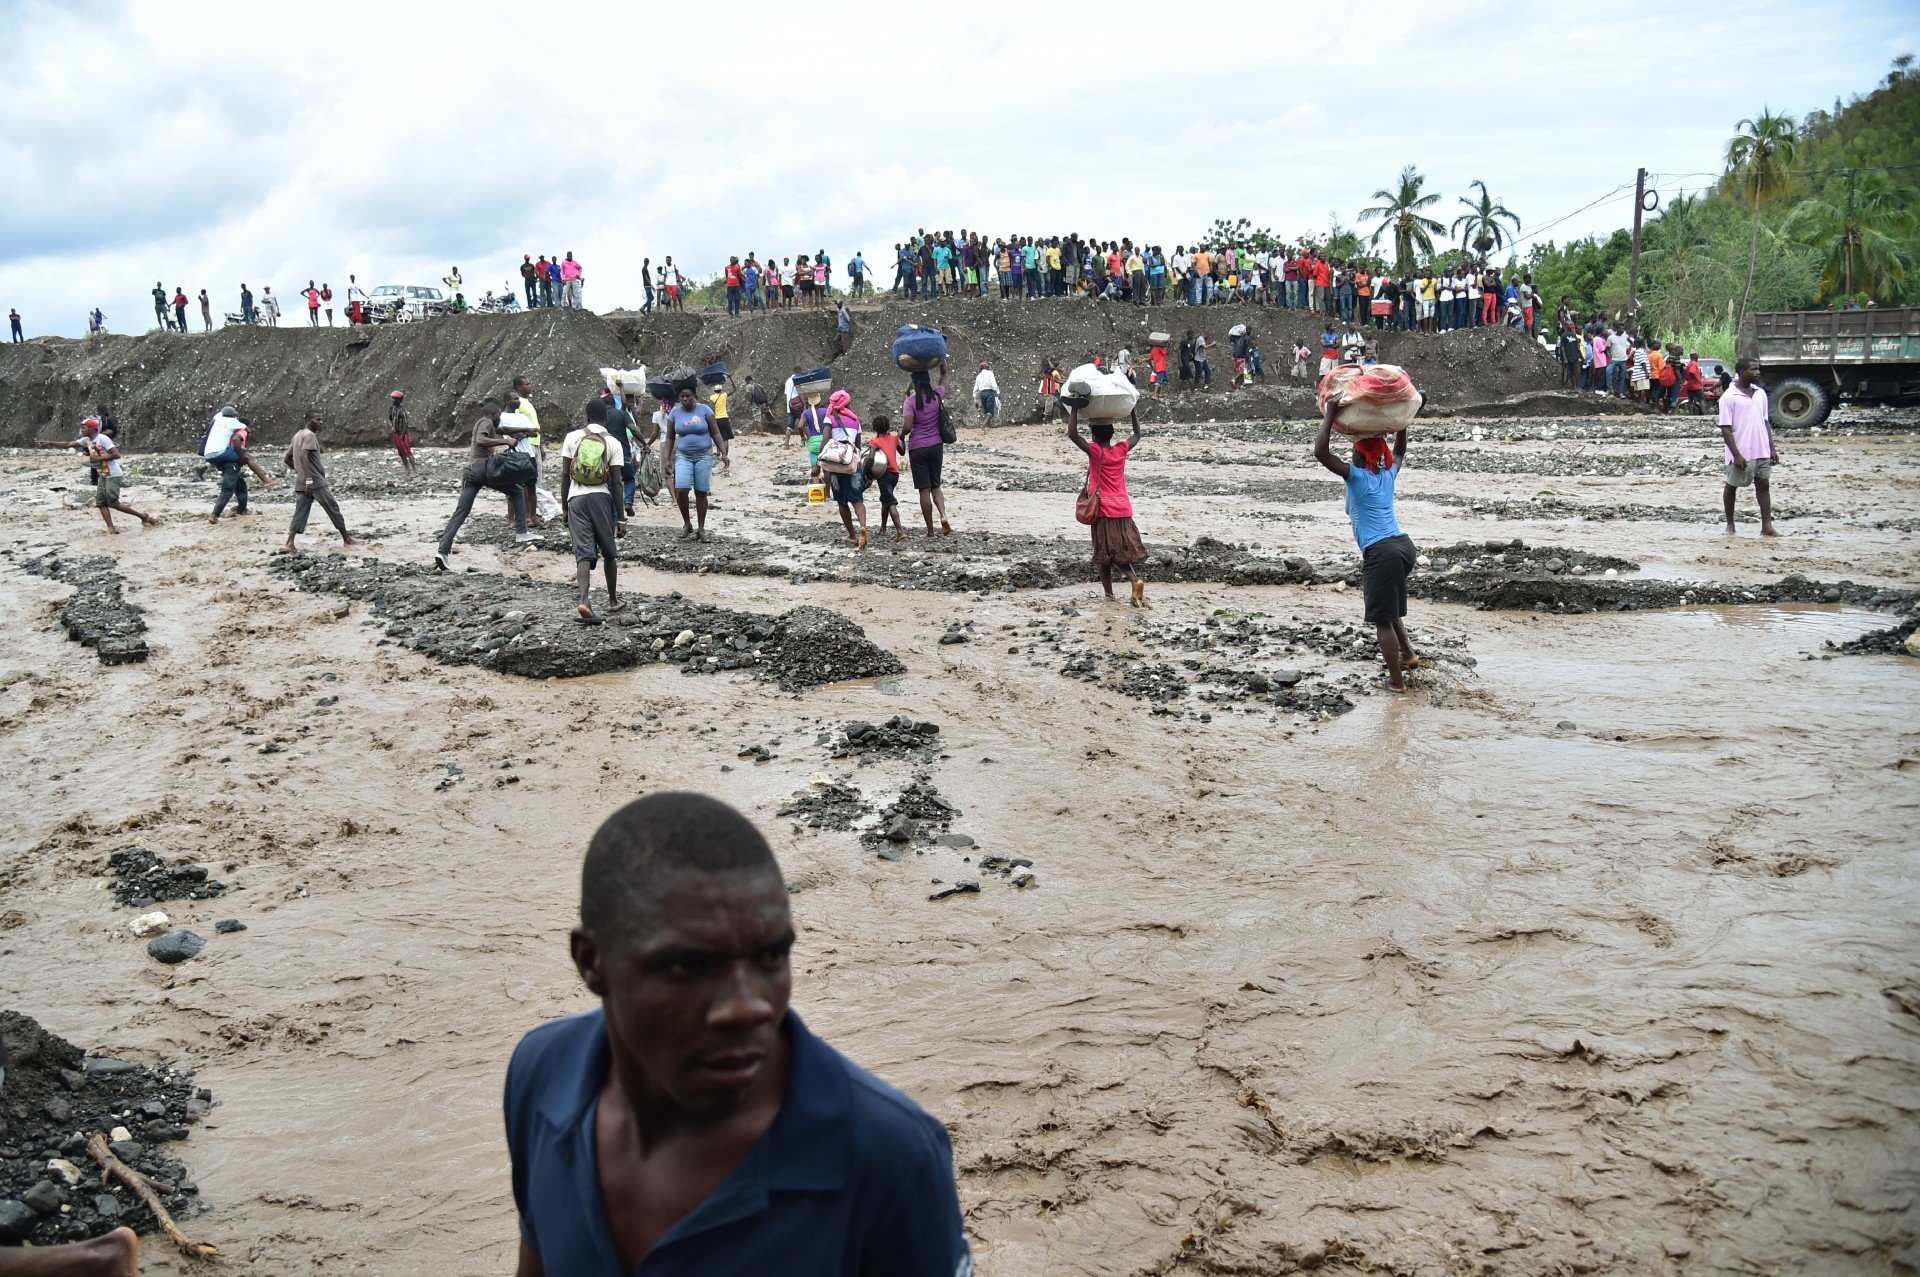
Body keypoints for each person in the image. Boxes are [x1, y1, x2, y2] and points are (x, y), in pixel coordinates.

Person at [503, 792, 971, 1277]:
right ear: (591, 962)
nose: (747, 1007)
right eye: (688, 965)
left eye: (770, 958)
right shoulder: (542, 1075)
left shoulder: (887, 1157)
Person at [1313, 408, 1418, 692]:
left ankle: (1397, 683)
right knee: (1389, 605)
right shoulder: (1387, 474)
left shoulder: (1357, 477)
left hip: (1382, 552)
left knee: (1382, 619)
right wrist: (1402, 425)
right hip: (1403, 547)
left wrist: (1331, 413)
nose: (1350, 456)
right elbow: (1399, 454)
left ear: (1359, 457)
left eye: (1354, 453)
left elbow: (1321, 453)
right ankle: (1408, 655)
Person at [434, 401, 540, 569]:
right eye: (498, 415)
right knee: (517, 491)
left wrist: (524, 432)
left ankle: (442, 551)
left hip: (470, 472)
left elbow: (503, 431)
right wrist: (505, 443)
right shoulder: (487, 422)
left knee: (461, 512)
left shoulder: (484, 423)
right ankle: (521, 533)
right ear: (492, 414)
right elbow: (481, 439)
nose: (500, 418)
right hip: (484, 469)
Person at [1067, 407, 1149, 608]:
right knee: (1111, 552)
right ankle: (1111, 596)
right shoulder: (1121, 450)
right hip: (1123, 509)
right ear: (1112, 434)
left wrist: (1075, 409)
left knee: (1106, 554)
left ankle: (1130, 582)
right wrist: (1132, 412)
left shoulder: (1095, 451)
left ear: (1094, 435)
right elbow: (1137, 434)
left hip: (1103, 510)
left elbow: (1072, 434)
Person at [559, 398, 627, 622]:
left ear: (586, 417)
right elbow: (617, 482)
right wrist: (621, 518)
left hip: (575, 500)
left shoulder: (572, 437)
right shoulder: (613, 442)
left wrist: (564, 509)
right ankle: (613, 600)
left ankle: (584, 600)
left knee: (583, 552)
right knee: (609, 551)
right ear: (606, 418)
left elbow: (564, 475)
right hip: (601, 497)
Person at [37, 417, 157, 533]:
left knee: (113, 503)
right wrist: (50, 443)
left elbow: (116, 455)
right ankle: (111, 528)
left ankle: (142, 516)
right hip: (103, 475)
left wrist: (97, 458)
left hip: (113, 475)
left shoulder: (103, 439)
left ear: (91, 429)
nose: (81, 430)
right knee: (101, 503)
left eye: (83, 428)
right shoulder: (87, 440)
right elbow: (68, 444)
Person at [1718, 357, 1779, 537]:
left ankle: (1766, 526)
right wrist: (1736, 455)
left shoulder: (1760, 394)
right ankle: (1730, 524)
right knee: (1732, 485)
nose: (1757, 372)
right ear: (1742, 372)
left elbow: (1765, 422)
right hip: (1741, 451)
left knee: (1763, 485)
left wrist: (1772, 448)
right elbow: (1725, 429)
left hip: (1761, 449)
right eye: (1754, 369)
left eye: (1758, 369)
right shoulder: (1728, 397)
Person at [280, 409, 354, 553]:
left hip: (302, 481)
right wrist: (309, 480)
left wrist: (300, 473)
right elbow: (303, 456)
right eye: (317, 420)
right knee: (332, 507)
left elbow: (287, 458)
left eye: (322, 420)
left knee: (300, 512)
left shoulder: (298, 435)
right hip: (315, 482)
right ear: (308, 421)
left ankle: (289, 543)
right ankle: (347, 539)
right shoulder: (310, 436)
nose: (321, 423)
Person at [902, 365, 952, 538]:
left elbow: (908, 427)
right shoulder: (938, 395)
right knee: (936, 485)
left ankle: (930, 531)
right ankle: (943, 515)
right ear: (929, 381)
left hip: (918, 448)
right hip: (936, 445)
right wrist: (942, 363)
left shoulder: (910, 402)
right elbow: (944, 375)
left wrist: (900, 436)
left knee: (924, 490)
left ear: (914, 384)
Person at [665, 385, 720, 541]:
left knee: (701, 492)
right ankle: (687, 524)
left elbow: (715, 432)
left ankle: (701, 529)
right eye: (681, 396)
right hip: (683, 456)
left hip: (704, 456)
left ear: (694, 396)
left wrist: (723, 452)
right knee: (681, 490)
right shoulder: (674, 413)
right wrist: (666, 459)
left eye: (688, 396)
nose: (684, 399)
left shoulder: (705, 410)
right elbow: (669, 438)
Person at [203, 404, 275, 521]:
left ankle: (241, 510)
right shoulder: (239, 428)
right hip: (229, 460)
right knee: (229, 487)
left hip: (212, 455)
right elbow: (238, 439)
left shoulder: (219, 422)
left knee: (240, 485)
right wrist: (241, 458)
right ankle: (214, 515)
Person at [817, 390, 869, 548]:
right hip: (851, 464)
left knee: (841, 501)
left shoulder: (830, 418)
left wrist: (819, 460)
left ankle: (852, 535)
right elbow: (858, 447)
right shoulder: (856, 421)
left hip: (835, 463)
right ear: (847, 404)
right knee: (857, 499)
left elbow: (826, 440)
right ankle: (862, 526)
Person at [869, 415, 904, 541]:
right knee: (885, 499)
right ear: (888, 426)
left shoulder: (875, 442)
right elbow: (903, 452)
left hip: (883, 475)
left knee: (889, 502)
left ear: (874, 429)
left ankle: (900, 532)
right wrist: (902, 439)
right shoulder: (894, 439)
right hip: (895, 475)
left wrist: (867, 471)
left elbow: (871, 458)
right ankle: (883, 528)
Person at [389, 390, 420, 478]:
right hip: (396, 433)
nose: (392, 400)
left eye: (393, 399)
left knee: (407, 452)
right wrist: (392, 426)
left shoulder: (402, 411)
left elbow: (406, 424)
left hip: (402, 434)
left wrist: (402, 435)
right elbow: (390, 418)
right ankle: (407, 469)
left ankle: (415, 471)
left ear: (398, 399)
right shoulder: (392, 408)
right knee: (401, 453)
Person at [709, 383, 733, 471]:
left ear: (714, 390)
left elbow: (712, 410)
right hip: (724, 418)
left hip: (716, 419)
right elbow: (734, 389)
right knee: (725, 439)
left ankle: (718, 452)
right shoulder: (724, 395)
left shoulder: (712, 398)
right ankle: (725, 455)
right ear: (721, 390)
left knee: (717, 436)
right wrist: (731, 379)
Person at [973, 361, 999, 426]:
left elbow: (975, 389)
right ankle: (984, 424)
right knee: (990, 410)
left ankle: (988, 425)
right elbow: (993, 383)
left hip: (982, 394)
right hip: (989, 392)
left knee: (986, 410)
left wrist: (975, 400)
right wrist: (997, 391)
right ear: (987, 367)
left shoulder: (978, 376)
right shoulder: (990, 373)